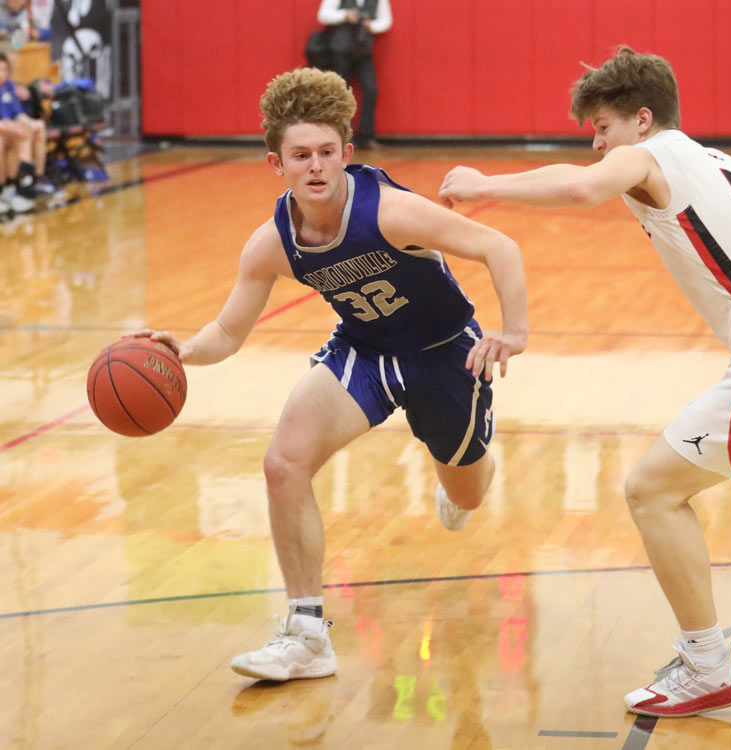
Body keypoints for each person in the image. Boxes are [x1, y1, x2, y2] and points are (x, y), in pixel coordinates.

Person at [439, 47, 731, 718]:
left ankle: (706, 662)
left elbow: (581, 187)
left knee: (650, 490)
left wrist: (484, 183)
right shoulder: (721, 162)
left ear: (642, 120)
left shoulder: (653, 155)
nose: (596, 144)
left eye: (602, 129)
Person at [133, 67, 528, 683]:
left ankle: (467, 475)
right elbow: (230, 332)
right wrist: (181, 351)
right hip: (364, 351)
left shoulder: (392, 211)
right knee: (282, 462)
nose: (314, 166)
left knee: (465, 492)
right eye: (300, 155)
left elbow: (499, 246)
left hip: (445, 352)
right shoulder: (272, 243)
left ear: (346, 153)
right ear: (276, 163)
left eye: (325, 152)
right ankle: (307, 634)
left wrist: (516, 331)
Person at [314, 0, 392, 150]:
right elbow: (323, 15)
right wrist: (345, 15)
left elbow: (386, 21)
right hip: (339, 51)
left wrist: (372, 26)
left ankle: (366, 136)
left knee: (371, 90)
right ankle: (340, 137)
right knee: (338, 94)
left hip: (363, 51)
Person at [0, 51, 61, 205]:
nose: (3, 73)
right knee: (12, 136)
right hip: (4, 129)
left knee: (36, 127)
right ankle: (10, 187)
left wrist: (27, 122)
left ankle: (33, 180)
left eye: (5, 69)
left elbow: (18, 113)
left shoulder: (8, 85)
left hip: (9, 127)